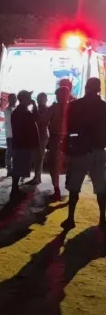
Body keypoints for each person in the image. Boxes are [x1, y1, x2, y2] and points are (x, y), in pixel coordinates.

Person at [62, 77, 106, 230]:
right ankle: (102, 219)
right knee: (101, 187)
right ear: (99, 89)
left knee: (74, 187)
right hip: (98, 150)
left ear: (86, 87)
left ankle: (70, 219)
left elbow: (69, 128)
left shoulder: (75, 105)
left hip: (80, 149)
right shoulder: (104, 107)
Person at [10, 90, 40, 197]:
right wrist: (35, 105)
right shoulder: (23, 112)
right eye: (28, 97)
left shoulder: (20, 111)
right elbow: (36, 118)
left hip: (20, 143)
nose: (30, 99)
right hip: (22, 144)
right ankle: (14, 190)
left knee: (19, 167)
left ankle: (15, 189)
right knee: (19, 167)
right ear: (24, 99)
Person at [48, 85, 71, 201]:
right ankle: (68, 189)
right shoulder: (72, 107)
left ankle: (58, 189)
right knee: (66, 165)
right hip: (67, 138)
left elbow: (44, 120)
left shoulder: (55, 107)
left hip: (58, 138)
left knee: (55, 166)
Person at [29, 92, 51, 185]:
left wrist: (34, 106)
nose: (38, 100)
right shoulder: (39, 108)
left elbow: (40, 120)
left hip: (42, 135)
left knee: (39, 157)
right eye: (38, 98)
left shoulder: (46, 109)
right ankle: (37, 176)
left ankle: (37, 177)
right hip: (37, 134)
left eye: (40, 99)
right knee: (37, 157)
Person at [4, 93, 17, 177]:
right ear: (9, 99)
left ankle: (13, 169)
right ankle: (9, 169)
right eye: (12, 98)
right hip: (10, 134)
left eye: (15, 98)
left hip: (16, 134)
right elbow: (11, 121)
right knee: (10, 152)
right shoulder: (8, 109)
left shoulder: (15, 108)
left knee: (15, 152)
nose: (14, 100)